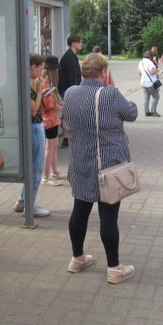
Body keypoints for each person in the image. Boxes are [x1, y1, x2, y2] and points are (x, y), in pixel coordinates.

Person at [63, 52, 138, 284]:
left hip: (79, 164)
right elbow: (132, 113)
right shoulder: (110, 94)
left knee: (80, 209)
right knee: (108, 215)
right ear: (104, 73)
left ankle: (77, 258)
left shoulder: (70, 93)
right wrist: (113, 88)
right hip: (107, 167)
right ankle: (114, 269)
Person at [13, 54, 50, 217]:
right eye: (40, 69)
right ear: (33, 67)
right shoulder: (24, 85)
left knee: (33, 165)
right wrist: (40, 91)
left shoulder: (22, 82)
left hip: (31, 127)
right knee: (37, 166)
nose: (41, 73)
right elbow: (33, 110)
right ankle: (30, 204)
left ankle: (23, 199)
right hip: (34, 127)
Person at [41, 55, 64, 186]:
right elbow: (48, 103)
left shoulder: (45, 81)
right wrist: (59, 107)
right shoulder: (45, 82)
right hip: (49, 119)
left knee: (54, 145)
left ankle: (54, 172)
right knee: (50, 147)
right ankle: (46, 176)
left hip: (51, 119)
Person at [57, 34, 83, 148]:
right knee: (67, 114)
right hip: (68, 90)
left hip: (69, 90)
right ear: (73, 43)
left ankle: (68, 137)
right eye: (79, 42)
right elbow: (72, 78)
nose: (81, 44)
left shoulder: (71, 56)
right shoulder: (69, 58)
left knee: (68, 113)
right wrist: (76, 91)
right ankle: (66, 138)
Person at [138, 50, 161, 117]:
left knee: (146, 97)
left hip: (143, 83)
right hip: (150, 83)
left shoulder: (141, 62)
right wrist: (157, 70)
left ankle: (147, 112)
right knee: (156, 97)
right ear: (151, 56)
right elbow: (152, 72)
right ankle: (153, 111)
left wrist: (143, 79)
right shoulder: (150, 62)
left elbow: (139, 72)